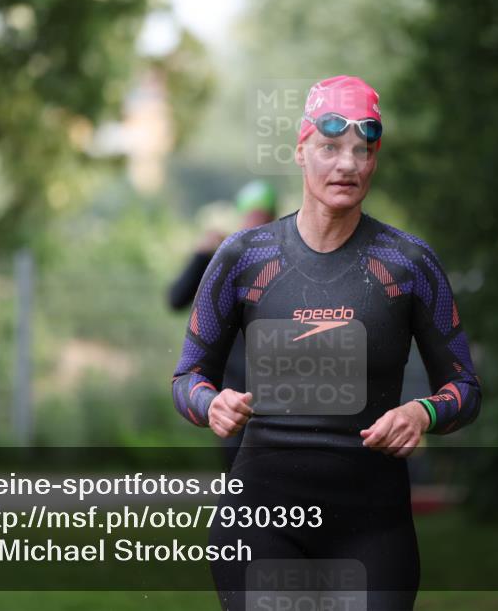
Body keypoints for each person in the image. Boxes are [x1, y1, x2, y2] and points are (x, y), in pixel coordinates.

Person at [170, 76, 482, 611]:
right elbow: (187, 378)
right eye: (330, 148)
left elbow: (465, 388)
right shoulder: (243, 256)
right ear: (300, 151)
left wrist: (423, 412)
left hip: (372, 523)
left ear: (375, 160)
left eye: (363, 151)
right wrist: (210, 402)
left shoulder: (409, 263)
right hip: (261, 519)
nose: (347, 165)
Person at [167, 181, 278, 470]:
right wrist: (202, 256)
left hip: (277, 385)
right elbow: (176, 299)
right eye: (251, 216)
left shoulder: (285, 259)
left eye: (262, 216)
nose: (256, 224)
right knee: (237, 471)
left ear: (273, 217)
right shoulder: (229, 257)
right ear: (240, 216)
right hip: (234, 384)